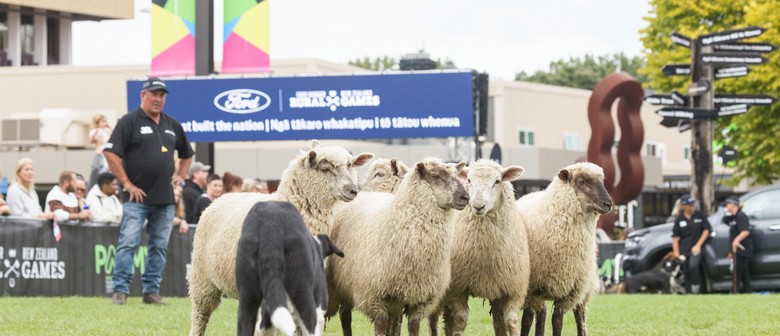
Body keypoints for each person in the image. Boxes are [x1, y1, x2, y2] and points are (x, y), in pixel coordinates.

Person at [104, 76, 194, 305]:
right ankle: (120, 291)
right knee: (128, 243)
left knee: (159, 247)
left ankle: (151, 291)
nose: (158, 99)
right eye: (153, 94)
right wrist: (126, 183)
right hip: (137, 198)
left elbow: (187, 153)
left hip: (165, 199)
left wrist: (181, 176)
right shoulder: (129, 121)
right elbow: (110, 153)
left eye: (162, 95)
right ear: (142, 95)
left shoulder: (172, 124)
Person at [671, 195, 711, 294]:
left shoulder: (699, 215)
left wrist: (698, 245)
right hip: (684, 250)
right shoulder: (679, 219)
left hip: (696, 248)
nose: (693, 206)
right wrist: (677, 255)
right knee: (686, 271)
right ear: (684, 206)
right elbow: (675, 238)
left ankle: (696, 289)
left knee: (693, 266)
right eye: (690, 204)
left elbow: (706, 231)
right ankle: (688, 293)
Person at [722, 196, 752, 293]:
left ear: (732, 204)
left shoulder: (741, 215)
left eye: (727, 204)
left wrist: (736, 240)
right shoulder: (733, 217)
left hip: (743, 249)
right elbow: (724, 220)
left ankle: (736, 292)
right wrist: (731, 251)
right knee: (743, 273)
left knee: (737, 273)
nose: (726, 207)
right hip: (736, 250)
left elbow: (745, 231)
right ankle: (746, 292)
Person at [88, 114, 113, 190]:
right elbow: (91, 140)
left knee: (108, 170)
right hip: (99, 152)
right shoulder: (94, 131)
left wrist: (109, 127)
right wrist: (97, 131)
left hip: (107, 153)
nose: (105, 123)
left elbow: (114, 136)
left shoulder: (107, 131)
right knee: (96, 170)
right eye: (103, 121)